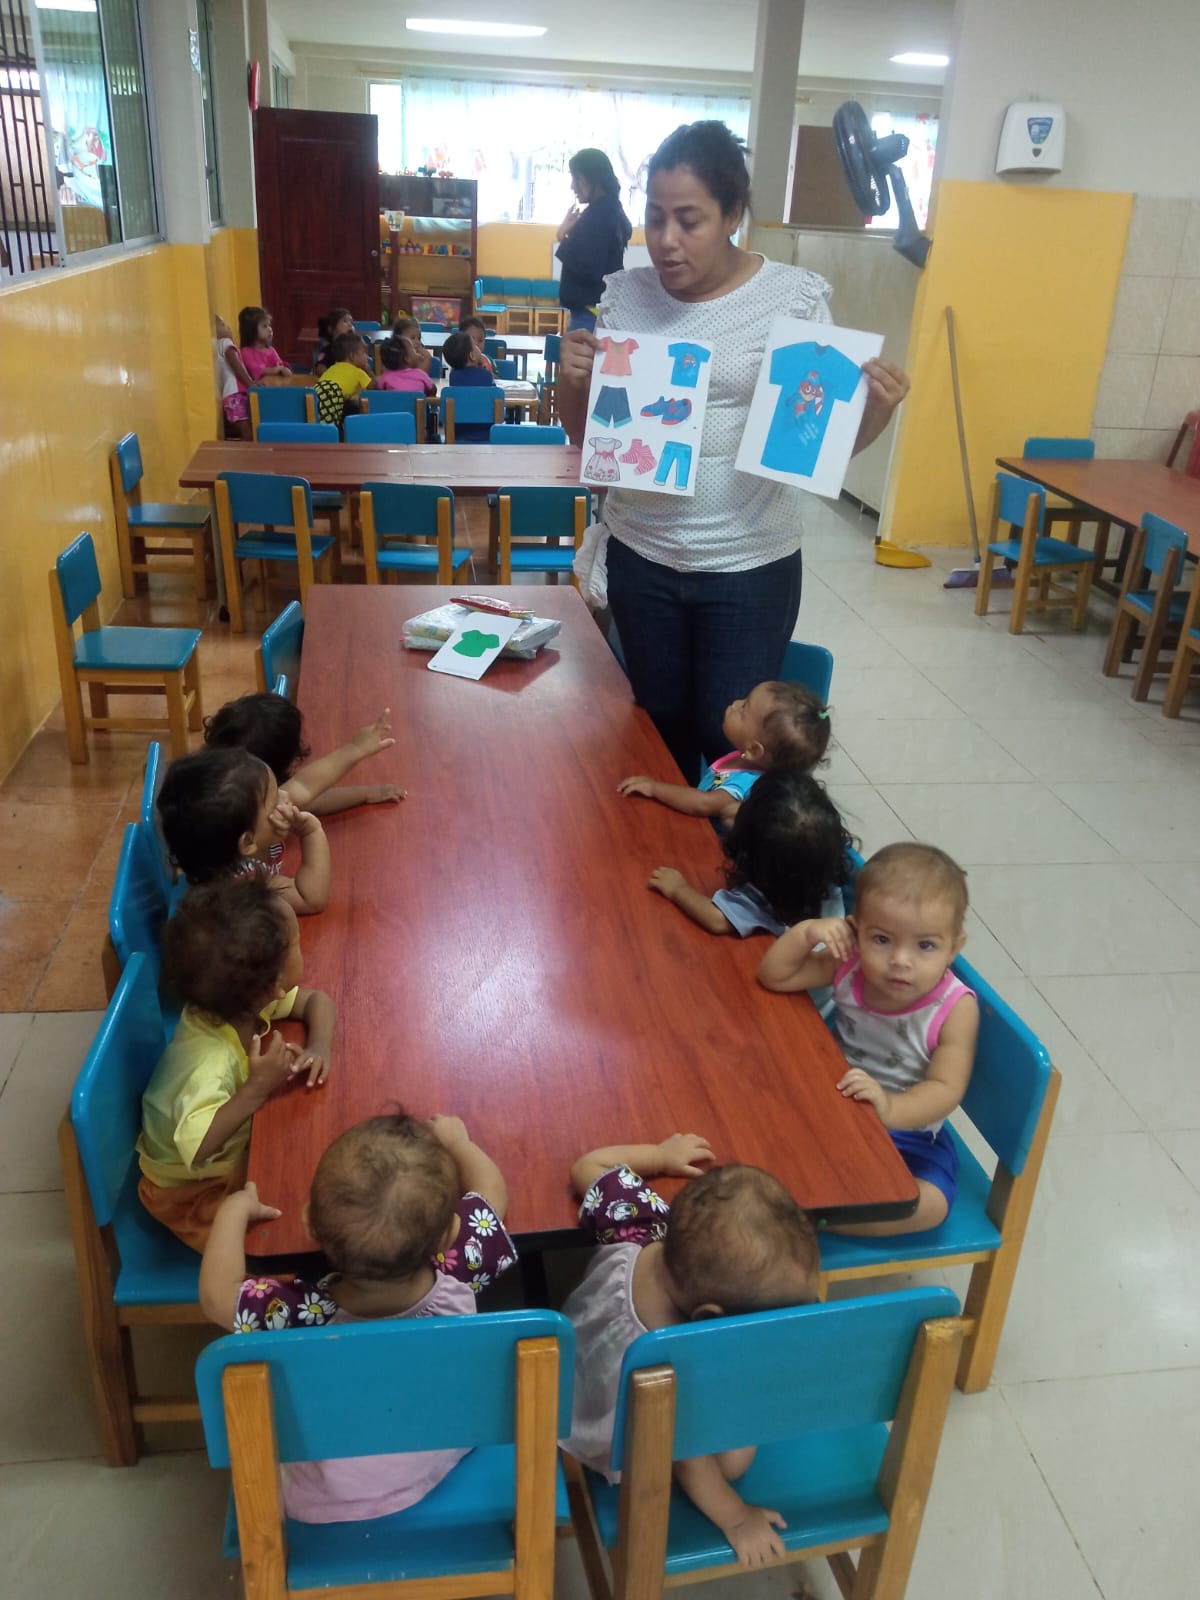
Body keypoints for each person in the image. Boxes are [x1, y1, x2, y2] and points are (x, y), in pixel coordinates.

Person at [558, 122, 910, 784]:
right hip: (642, 555)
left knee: (731, 744)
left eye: (689, 220)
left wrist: (875, 413)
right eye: (655, 217)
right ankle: (660, 846)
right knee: (654, 729)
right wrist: (571, 382)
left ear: (733, 215)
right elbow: (589, 441)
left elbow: (815, 450)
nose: (666, 239)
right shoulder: (626, 297)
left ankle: (724, 852)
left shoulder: (791, 299)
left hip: (749, 563)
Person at [198, 1111, 516, 1523]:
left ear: (309, 1224)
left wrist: (234, 1209)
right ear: (447, 1237)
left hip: (323, 1497)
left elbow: (216, 1296)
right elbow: (493, 1196)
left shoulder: (299, 1316)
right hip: (436, 1460)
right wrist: (458, 1143)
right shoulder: (461, 1272)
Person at [562, 1134, 818, 1567]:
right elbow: (690, 1459)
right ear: (708, 1317)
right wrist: (737, 1518)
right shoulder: (676, 1359)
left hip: (573, 1372)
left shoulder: (646, 1224)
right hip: (611, 1435)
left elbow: (589, 1165)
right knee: (734, 1462)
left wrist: (660, 1157)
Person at [758, 842, 979, 1235]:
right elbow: (775, 976)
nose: (900, 961)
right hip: (834, 1109)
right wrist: (807, 932)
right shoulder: (850, 965)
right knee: (763, 1126)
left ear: (954, 948)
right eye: (882, 939)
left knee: (931, 1203)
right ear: (855, 930)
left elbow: (946, 1089)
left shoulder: (956, 1008)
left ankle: (818, 1216)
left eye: (925, 945)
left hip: (911, 1133)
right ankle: (813, 1199)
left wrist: (889, 1108)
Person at [137, 878, 336, 1251]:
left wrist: (319, 1047)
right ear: (275, 985)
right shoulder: (208, 1062)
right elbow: (198, 1146)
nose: (301, 946)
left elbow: (317, 1002)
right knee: (290, 1229)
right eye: (296, 942)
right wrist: (257, 1089)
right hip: (189, 1190)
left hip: (228, 1151)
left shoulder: (238, 1001)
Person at [646, 768, 851, 941]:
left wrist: (678, 889)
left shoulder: (768, 896)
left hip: (799, 973)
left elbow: (716, 919)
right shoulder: (819, 857)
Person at [618, 679, 829, 825]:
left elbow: (702, 803)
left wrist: (653, 788)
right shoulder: (743, 759)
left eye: (743, 708)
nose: (735, 703)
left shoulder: (743, 784)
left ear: (754, 749)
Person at [157, 746, 331, 914]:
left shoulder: (211, 856)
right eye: (275, 800)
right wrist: (311, 832)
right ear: (247, 842)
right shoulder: (245, 882)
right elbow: (310, 898)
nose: (286, 796)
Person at [204, 693, 404, 814]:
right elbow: (304, 787)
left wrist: (366, 794)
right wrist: (356, 749)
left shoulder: (216, 782)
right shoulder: (253, 810)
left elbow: (310, 800)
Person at [556, 148, 632, 334]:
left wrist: (563, 238)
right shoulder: (610, 209)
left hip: (589, 314)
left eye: (577, 179)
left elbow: (590, 267)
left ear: (594, 179)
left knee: (585, 354)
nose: (573, 186)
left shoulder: (598, 215)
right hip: (593, 312)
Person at [442, 330, 497, 442]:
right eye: (475, 346)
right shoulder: (486, 376)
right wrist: (484, 368)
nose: (478, 348)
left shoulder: (453, 376)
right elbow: (494, 394)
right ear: (472, 356)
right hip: (487, 436)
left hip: (458, 437)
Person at [314, 330, 373, 426]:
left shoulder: (332, 368)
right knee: (330, 426)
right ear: (352, 356)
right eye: (364, 353)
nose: (367, 357)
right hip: (333, 394)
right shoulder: (358, 372)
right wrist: (368, 370)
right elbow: (373, 387)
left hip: (317, 391)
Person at [215, 314, 253, 439]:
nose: (228, 327)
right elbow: (237, 367)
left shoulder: (218, 345)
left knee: (245, 430)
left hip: (233, 394)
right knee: (246, 431)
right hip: (235, 394)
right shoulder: (225, 342)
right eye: (222, 325)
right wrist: (250, 383)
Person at [238, 305, 290, 383]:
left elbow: (280, 364)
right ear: (251, 330)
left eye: (269, 325)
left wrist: (284, 369)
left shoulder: (271, 350)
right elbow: (255, 370)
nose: (270, 329)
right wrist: (275, 370)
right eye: (265, 326)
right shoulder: (246, 352)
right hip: (258, 389)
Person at [314, 306, 354, 375]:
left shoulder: (355, 349)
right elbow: (320, 368)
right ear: (331, 329)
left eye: (352, 322)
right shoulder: (328, 350)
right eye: (345, 321)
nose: (350, 325)